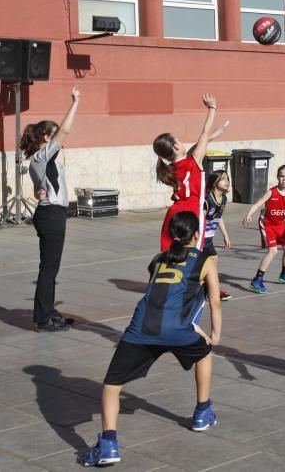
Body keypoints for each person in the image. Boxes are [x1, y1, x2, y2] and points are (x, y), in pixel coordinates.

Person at [78, 211, 221, 467]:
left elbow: (160, 296)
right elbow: (214, 301)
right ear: (197, 235)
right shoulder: (205, 259)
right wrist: (214, 334)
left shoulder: (156, 260)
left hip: (141, 329)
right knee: (205, 352)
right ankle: (202, 412)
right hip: (177, 330)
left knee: (112, 385)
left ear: (171, 236)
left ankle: (108, 444)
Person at [22, 86, 80, 332]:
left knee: (51, 268)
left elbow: (40, 187)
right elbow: (65, 130)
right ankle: (43, 318)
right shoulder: (41, 156)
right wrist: (75, 102)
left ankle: (49, 311)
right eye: (54, 136)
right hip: (51, 216)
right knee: (48, 268)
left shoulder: (44, 160)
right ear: (46, 138)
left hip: (52, 214)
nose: (60, 140)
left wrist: (38, 191)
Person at [153, 94, 228, 251]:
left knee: (168, 250)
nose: (181, 142)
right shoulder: (193, 162)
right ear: (176, 147)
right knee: (193, 252)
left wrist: (212, 137)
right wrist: (212, 108)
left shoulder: (170, 168)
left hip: (174, 212)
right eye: (179, 140)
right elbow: (204, 133)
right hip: (193, 211)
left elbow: (200, 143)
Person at [243, 165, 285, 293]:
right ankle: (257, 280)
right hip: (268, 223)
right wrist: (249, 214)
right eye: (282, 176)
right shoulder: (272, 192)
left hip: (280, 224)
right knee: (273, 251)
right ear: (277, 177)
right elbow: (258, 203)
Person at [202, 170, 232, 302]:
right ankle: (211, 290)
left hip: (209, 238)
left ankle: (211, 290)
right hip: (201, 239)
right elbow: (200, 219)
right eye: (223, 179)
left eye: (227, 179)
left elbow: (219, 217)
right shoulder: (207, 199)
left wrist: (225, 235)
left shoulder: (223, 199)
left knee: (213, 260)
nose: (227, 181)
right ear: (214, 182)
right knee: (209, 262)